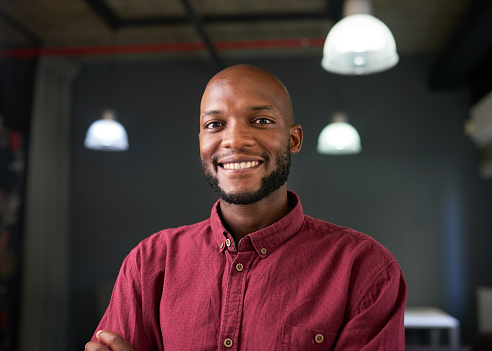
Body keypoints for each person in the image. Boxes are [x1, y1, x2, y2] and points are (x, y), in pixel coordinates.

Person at [85, 64, 406, 351]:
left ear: (293, 140)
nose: (235, 140)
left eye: (261, 120)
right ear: (200, 140)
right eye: (215, 124)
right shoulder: (149, 263)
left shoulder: (364, 269)